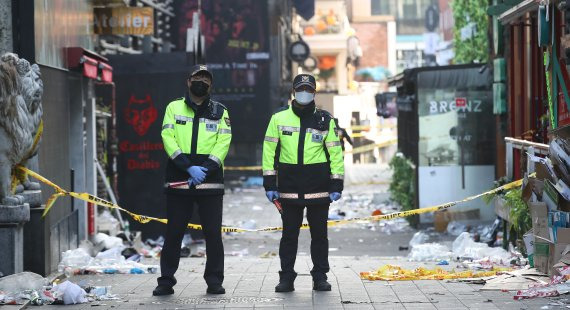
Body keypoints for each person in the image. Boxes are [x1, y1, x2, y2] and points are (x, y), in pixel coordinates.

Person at [153, 65, 232, 296]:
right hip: (180, 181)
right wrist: (188, 167)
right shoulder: (173, 107)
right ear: (188, 81)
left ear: (211, 85)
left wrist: (205, 169)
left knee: (213, 235)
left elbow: (223, 142)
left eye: (206, 79)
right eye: (198, 78)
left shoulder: (220, 111)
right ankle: (166, 281)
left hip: (210, 182)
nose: (201, 82)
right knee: (174, 233)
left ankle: (214, 281)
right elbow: (168, 137)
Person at [262, 74, 344, 292]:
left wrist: (336, 185)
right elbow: (269, 151)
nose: (304, 93)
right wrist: (269, 184)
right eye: (301, 89)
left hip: (319, 189)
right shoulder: (278, 118)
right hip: (288, 188)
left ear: (314, 92)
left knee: (319, 236)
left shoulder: (325, 120)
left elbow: (335, 153)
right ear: (293, 92)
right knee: (289, 236)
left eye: (308, 89)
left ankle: (320, 277)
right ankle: (286, 278)